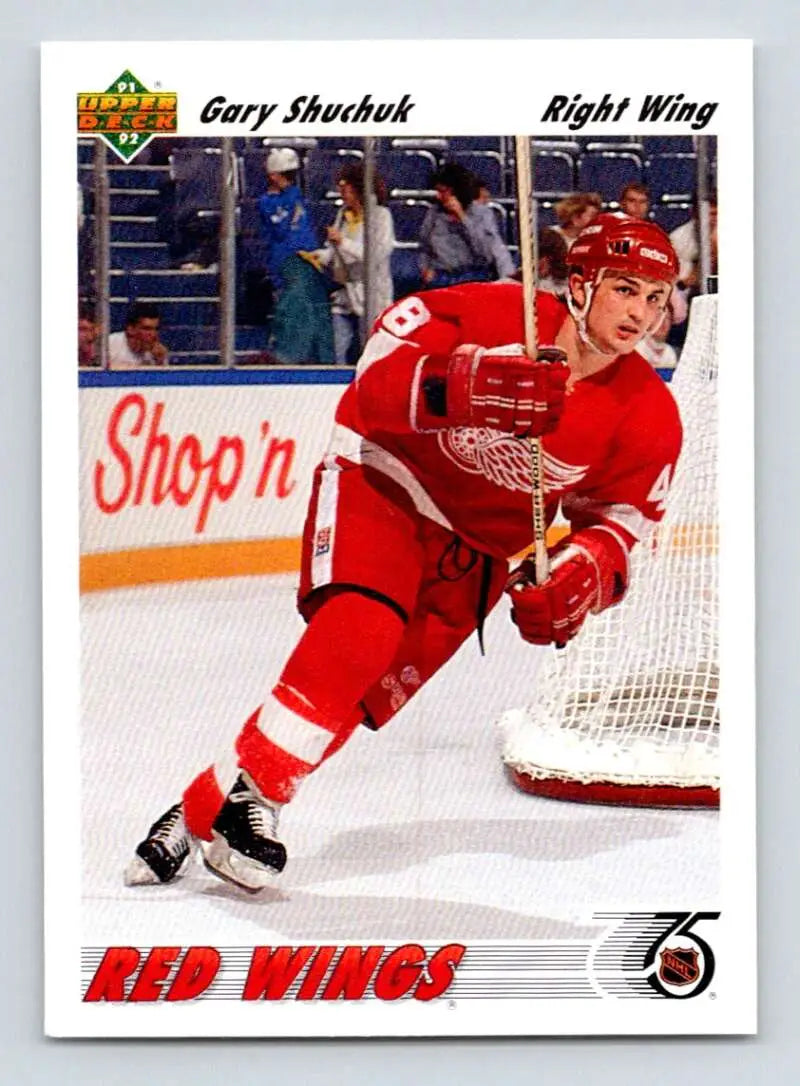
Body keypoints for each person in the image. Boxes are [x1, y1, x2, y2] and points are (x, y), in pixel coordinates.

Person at [125, 214, 682, 894]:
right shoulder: (496, 312)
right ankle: (259, 803)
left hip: (477, 551)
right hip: (385, 478)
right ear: (580, 284)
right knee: (360, 632)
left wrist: (585, 571)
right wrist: (464, 383)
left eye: (656, 298)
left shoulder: (649, 413)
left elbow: (623, 521)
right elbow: (377, 370)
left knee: (348, 696)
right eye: (625, 289)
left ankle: (202, 806)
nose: (642, 313)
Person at [258, 147, 334, 364]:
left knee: (318, 313)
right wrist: (290, 196)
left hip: (310, 262)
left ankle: (323, 362)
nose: (290, 181)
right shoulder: (268, 202)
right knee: (295, 311)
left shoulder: (296, 196)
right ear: (273, 175)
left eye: (292, 176)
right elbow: (281, 229)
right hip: (288, 263)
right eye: (286, 175)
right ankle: (287, 358)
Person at [314, 162, 395, 365]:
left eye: (345, 187)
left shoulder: (381, 216)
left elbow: (375, 255)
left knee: (371, 352)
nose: (341, 192)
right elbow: (335, 252)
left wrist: (342, 241)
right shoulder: (343, 214)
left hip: (371, 294)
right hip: (344, 293)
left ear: (359, 188)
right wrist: (317, 256)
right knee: (336, 349)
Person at [418, 162, 514, 288]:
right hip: (440, 278)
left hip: (474, 277)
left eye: (443, 191)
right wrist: (425, 268)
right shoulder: (433, 213)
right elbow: (424, 246)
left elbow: (486, 252)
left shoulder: (482, 213)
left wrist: (462, 217)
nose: (438, 196)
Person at [108, 302, 169, 369]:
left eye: (156, 329)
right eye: (147, 329)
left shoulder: (157, 354)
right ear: (131, 329)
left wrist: (160, 362)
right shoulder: (110, 345)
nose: (153, 334)